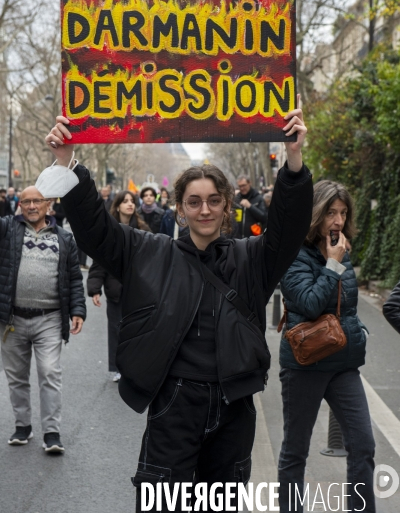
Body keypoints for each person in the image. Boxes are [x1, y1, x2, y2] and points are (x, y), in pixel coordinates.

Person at [45, 101, 312, 511]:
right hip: (174, 403)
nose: (204, 209)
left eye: (212, 200)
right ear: (180, 209)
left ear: (226, 206)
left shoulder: (252, 258)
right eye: (193, 201)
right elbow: (96, 233)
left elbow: (288, 228)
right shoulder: (147, 251)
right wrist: (69, 164)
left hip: (233, 406)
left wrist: (293, 161)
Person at [278, 180, 375, 513]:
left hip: (344, 364)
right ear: (315, 213)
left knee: (363, 446)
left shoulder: (342, 250)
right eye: (330, 213)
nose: (337, 221)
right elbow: (308, 303)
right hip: (305, 365)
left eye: (343, 213)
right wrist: (332, 265)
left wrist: (357, 332)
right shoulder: (294, 254)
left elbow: (344, 307)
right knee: (295, 452)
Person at [0, 186, 86, 453]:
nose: (32, 205)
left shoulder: (64, 238)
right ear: (20, 205)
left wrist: (78, 310)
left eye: (37, 200)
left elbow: (73, 277)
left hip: (49, 318)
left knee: (49, 372)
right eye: (26, 201)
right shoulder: (7, 230)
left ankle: (52, 432)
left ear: (48, 203)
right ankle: (22, 426)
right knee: (16, 377)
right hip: (12, 318)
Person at [87, 190, 149, 382]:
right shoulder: (108, 230)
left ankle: (137, 366)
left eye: (132, 201)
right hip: (115, 290)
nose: (130, 204)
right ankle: (116, 367)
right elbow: (100, 261)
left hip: (138, 289)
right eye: (125, 201)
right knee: (116, 329)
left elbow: (152, 259)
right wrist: (95, 288)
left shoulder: (143, 229)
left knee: (138, 329)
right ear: (118, 205)